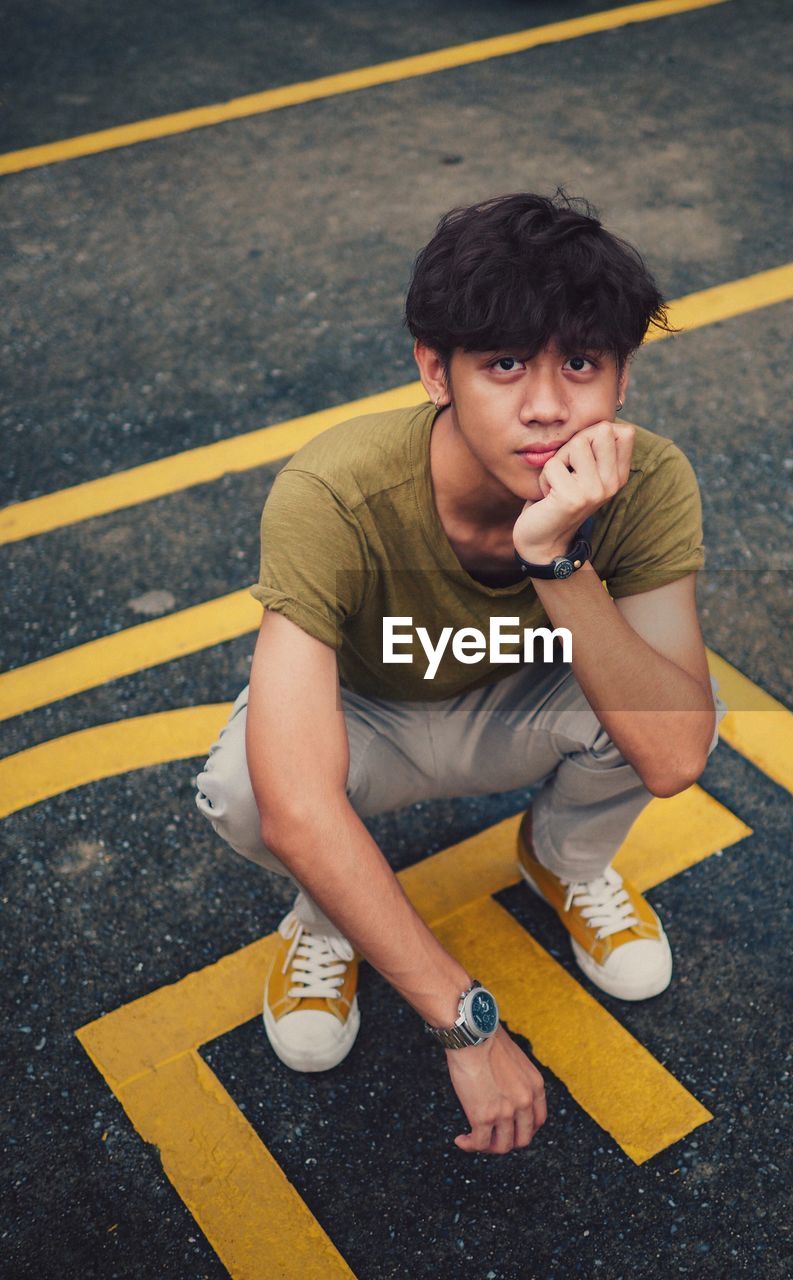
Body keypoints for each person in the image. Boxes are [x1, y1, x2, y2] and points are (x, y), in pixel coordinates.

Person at [195, 189, 727, 1157]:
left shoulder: (648, 481)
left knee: (672, 702)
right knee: (245, 787)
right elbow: (295, 805)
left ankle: (563, 857)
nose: (548, 405)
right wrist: (466, 1022)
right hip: (376, 713)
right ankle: (326, 918)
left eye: (581, 362)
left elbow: (675, 750)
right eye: (505, 363)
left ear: (623, 376)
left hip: (520, 701)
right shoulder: (333, 492)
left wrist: (557, 559)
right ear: (434, 370)